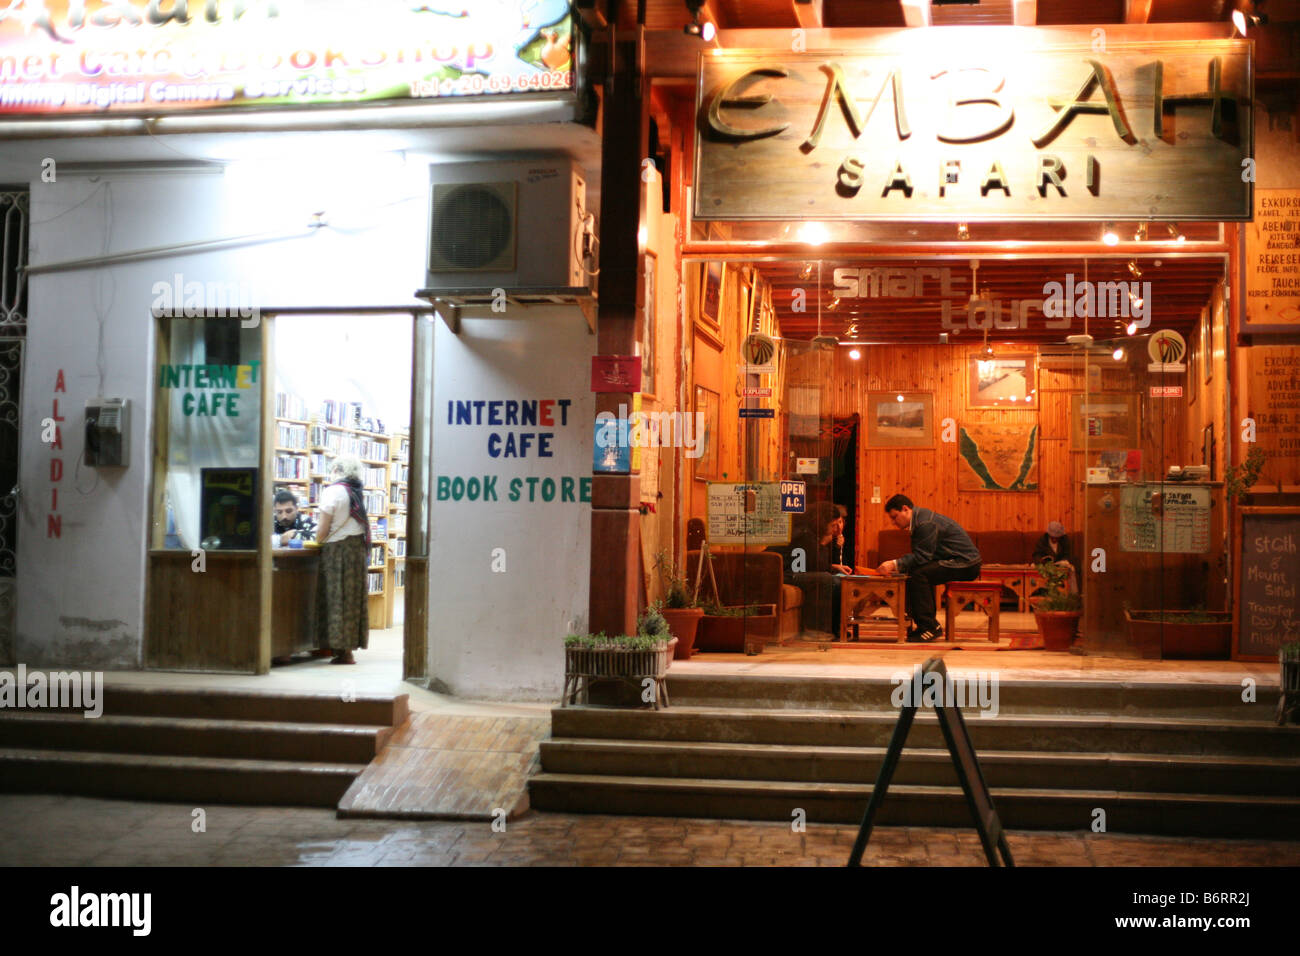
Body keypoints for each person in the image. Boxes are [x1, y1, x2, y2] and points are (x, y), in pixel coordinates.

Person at [877, 494, 981, 643]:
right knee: (915, 572)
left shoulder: (924, 523)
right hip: (958, 561)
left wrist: (894, 564)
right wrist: (900, 565)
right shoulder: (920, 519)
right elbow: (923, 557)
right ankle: (924, 625)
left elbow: (922, 557)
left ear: (905, 509)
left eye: (894, 517)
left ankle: (930, 627)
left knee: (919, 575)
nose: (893, 522)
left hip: (966, 564)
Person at [314, 456, 370, 665]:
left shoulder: (333, 491)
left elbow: (322, 531)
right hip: (356, 551)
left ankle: (339, 649)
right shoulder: (355, 490)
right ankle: (348, 650)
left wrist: (316, 540)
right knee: (352, 600)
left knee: (335, 598)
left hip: (337, 550)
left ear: (337, 469)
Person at [770, 501, 852, 640]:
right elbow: (812, 567)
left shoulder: (811, 534)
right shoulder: (804, 535)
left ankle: (835, 629)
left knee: (838, 581)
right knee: (827, 579)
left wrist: (833, 566)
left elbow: (813, 565)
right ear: (821, 522)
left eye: (839, 523)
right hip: (782, 573)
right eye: (833, 525)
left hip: (795, 572)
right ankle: (815, 631)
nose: (836, 529)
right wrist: (826, 543)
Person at [1032, 520, 1078, 594]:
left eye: (1057, 537)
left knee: (1071, 569)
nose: (1054, 539)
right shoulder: (1043, 540)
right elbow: (1036, 555)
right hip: (1046, 567)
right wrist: (1042, 561)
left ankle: (1072, 595)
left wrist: (1064, 561)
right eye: (1052, 537)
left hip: (1061, 567)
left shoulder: (1065, 540)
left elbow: (1067, 554)